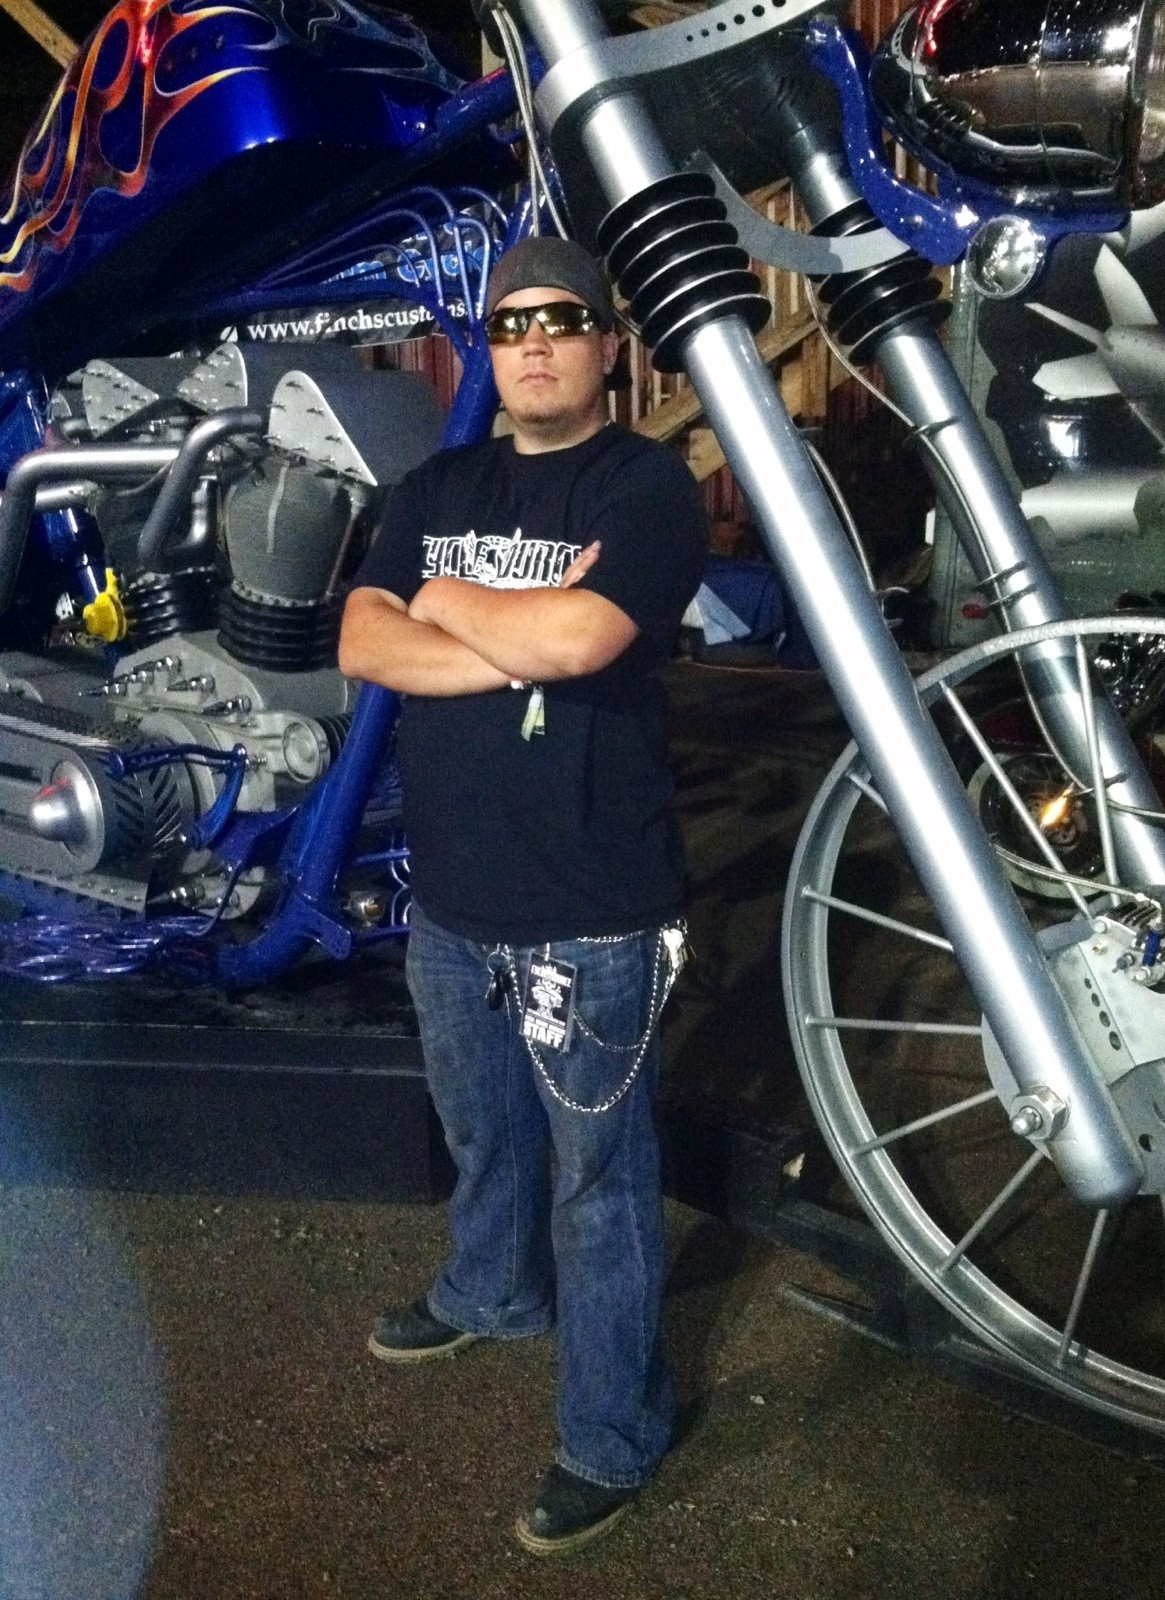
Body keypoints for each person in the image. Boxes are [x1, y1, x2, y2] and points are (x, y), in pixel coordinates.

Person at [338, 234, 707, 1556]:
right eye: (509, 325)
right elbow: (362, 639)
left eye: (560, 321)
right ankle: (490, 1291)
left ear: (608, 344)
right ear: (487, 351)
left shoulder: (646, 485)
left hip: (593, 912)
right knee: (483, 1133)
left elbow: (584, 636)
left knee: (599, 1189)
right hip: (450, 901)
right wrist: (511, 640)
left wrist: (446, 598)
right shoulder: (435, 482)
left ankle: (612, 1436)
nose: (533, 343)